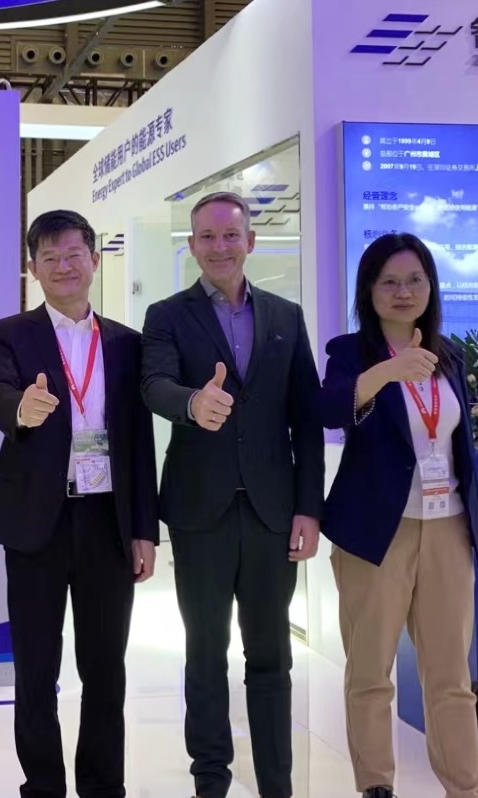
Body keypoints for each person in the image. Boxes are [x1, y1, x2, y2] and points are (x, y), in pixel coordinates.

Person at [140, 191, 324, 798]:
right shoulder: (168, 315)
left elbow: (305, 416)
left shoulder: (285, 315)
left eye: (230, 235)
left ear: (250, 241)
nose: (219, 246)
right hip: (201, 511)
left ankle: (276, 784)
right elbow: (154, 384)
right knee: (205, 651)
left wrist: (309, 507)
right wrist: (193, 402)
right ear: (192, 246)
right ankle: (211, 782)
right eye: (207, 237)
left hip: (273, 511)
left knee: (271, 655)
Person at [0, 209, 159, 798]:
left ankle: (103, 786)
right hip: (39, 522)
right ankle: (43, 786)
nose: (63, 266)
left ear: (94, 261)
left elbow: (137, 441)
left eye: (73, 254)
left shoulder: (127, 342)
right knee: (36, 667)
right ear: (33, 269)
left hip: (108, 520)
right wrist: (20, 409)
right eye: (49, 257)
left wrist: (144, 529)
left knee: (106, 667)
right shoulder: (10, 333)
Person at [317, 233, 478, 798]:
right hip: (375, 533)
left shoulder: (450, 354)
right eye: (388, 281)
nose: (403, 291)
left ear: (431, 287)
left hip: (449, 528)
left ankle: (465, 788)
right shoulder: (350, 352)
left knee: (451, 677)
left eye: (415, 280)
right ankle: (376, 787)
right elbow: (330, 409)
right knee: (370, 673)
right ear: (368, 290)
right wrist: (390, 372)